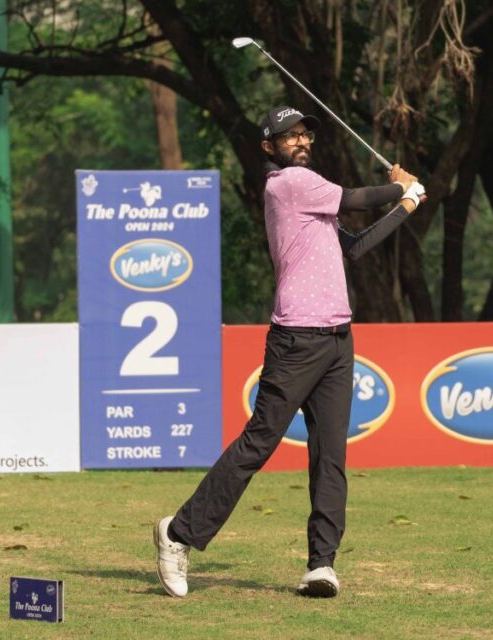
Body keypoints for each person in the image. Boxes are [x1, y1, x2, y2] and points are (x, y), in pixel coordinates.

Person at [154, 105, 425, 598]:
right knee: (259, 444)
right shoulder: (287, 184)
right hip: (296, 339)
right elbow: (356, 198)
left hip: (338, 338)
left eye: (304, 135)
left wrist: (407, 205)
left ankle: (321, 565)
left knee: (330, 455)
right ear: (269, 147)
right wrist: (398, 187)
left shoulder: (313, 198)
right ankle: (178, 533)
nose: (300, 141)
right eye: (289, 136)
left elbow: (356, 246)